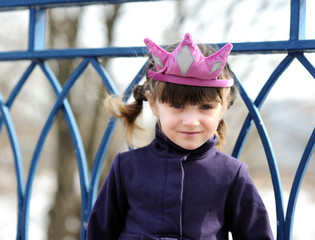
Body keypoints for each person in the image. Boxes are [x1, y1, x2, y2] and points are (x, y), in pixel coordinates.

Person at [86, 33, 274, 240]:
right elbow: (99, 233)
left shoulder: (232, 174)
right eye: (176, 105)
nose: (191, 121)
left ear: (223, 109)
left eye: (206, 107)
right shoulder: (126, 167)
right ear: (153, 104)